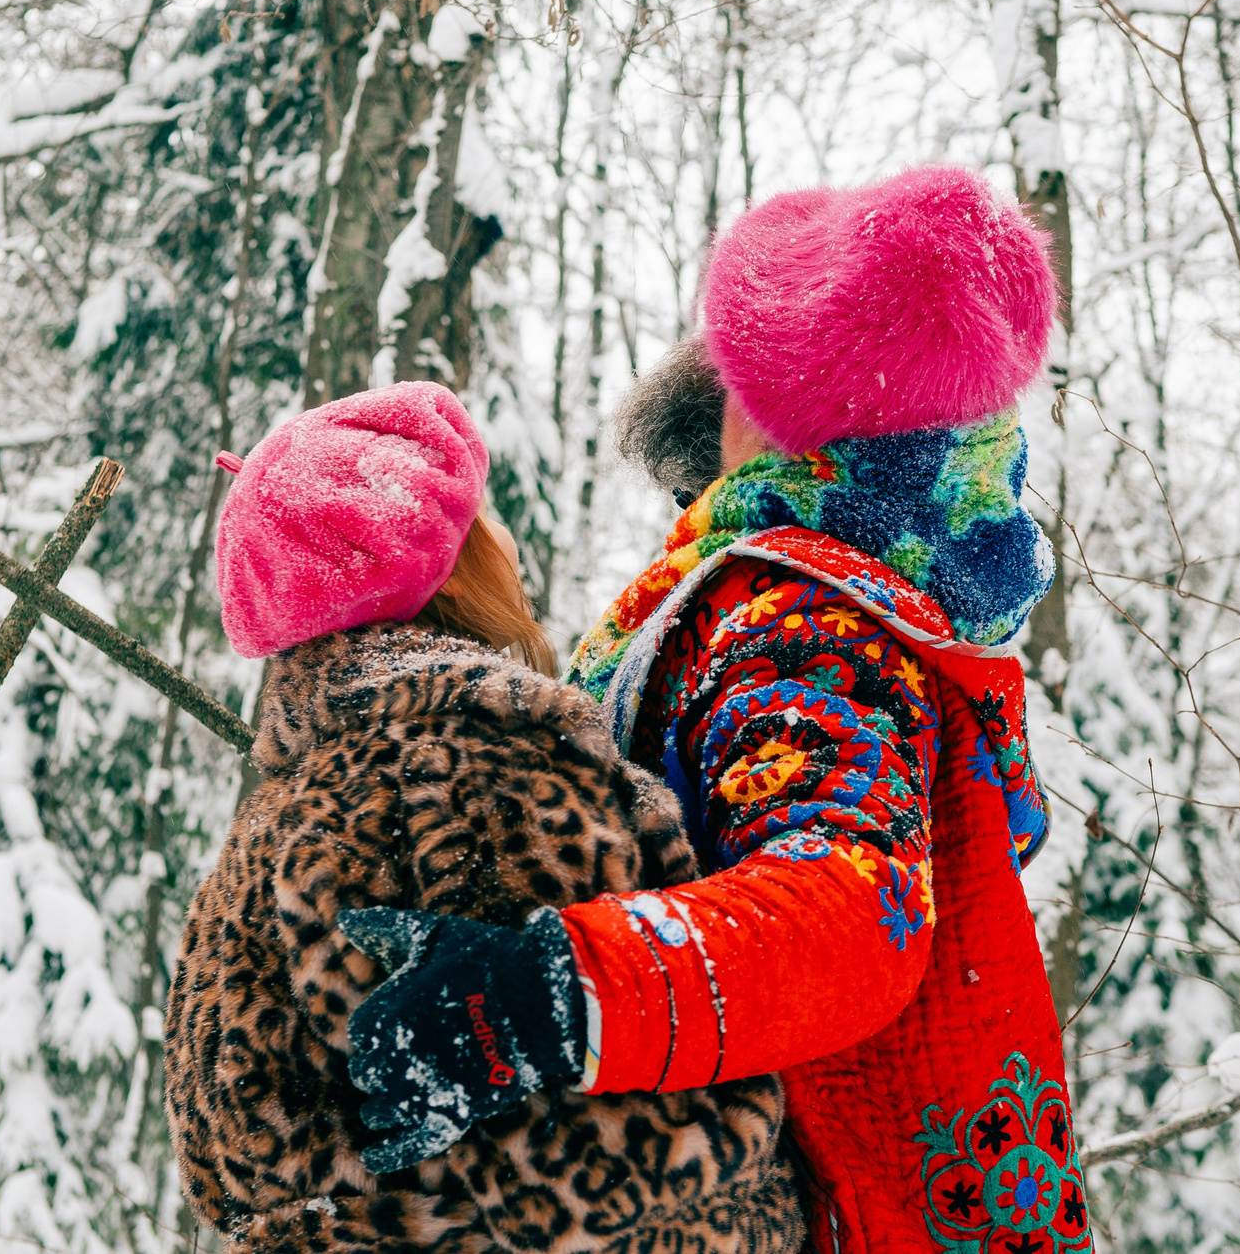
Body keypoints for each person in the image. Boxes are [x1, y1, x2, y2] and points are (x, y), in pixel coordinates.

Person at [341, 168, 1093, 1254]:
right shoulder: (876, 594)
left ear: (777, 411)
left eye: (735, 363)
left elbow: (852, 905)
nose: (709, 378)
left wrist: (551, 994)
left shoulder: (800, 619)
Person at [164, 382, 806, 1254]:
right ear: (443, 565)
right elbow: (572, 1170)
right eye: (482, 518)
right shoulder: (462, 774)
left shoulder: (272, 820)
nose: (507, 542)